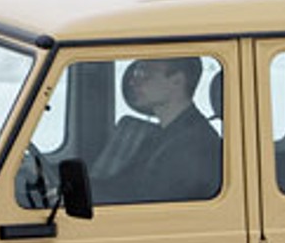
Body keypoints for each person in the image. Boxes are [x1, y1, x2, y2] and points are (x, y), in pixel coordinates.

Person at [93, 56, 221, 204]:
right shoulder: (162, 135)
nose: (133, 82)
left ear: (177, 81)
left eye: (145, 74)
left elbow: (145, 205)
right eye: (135, 74)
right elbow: (122, 185)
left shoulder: (194, 147)